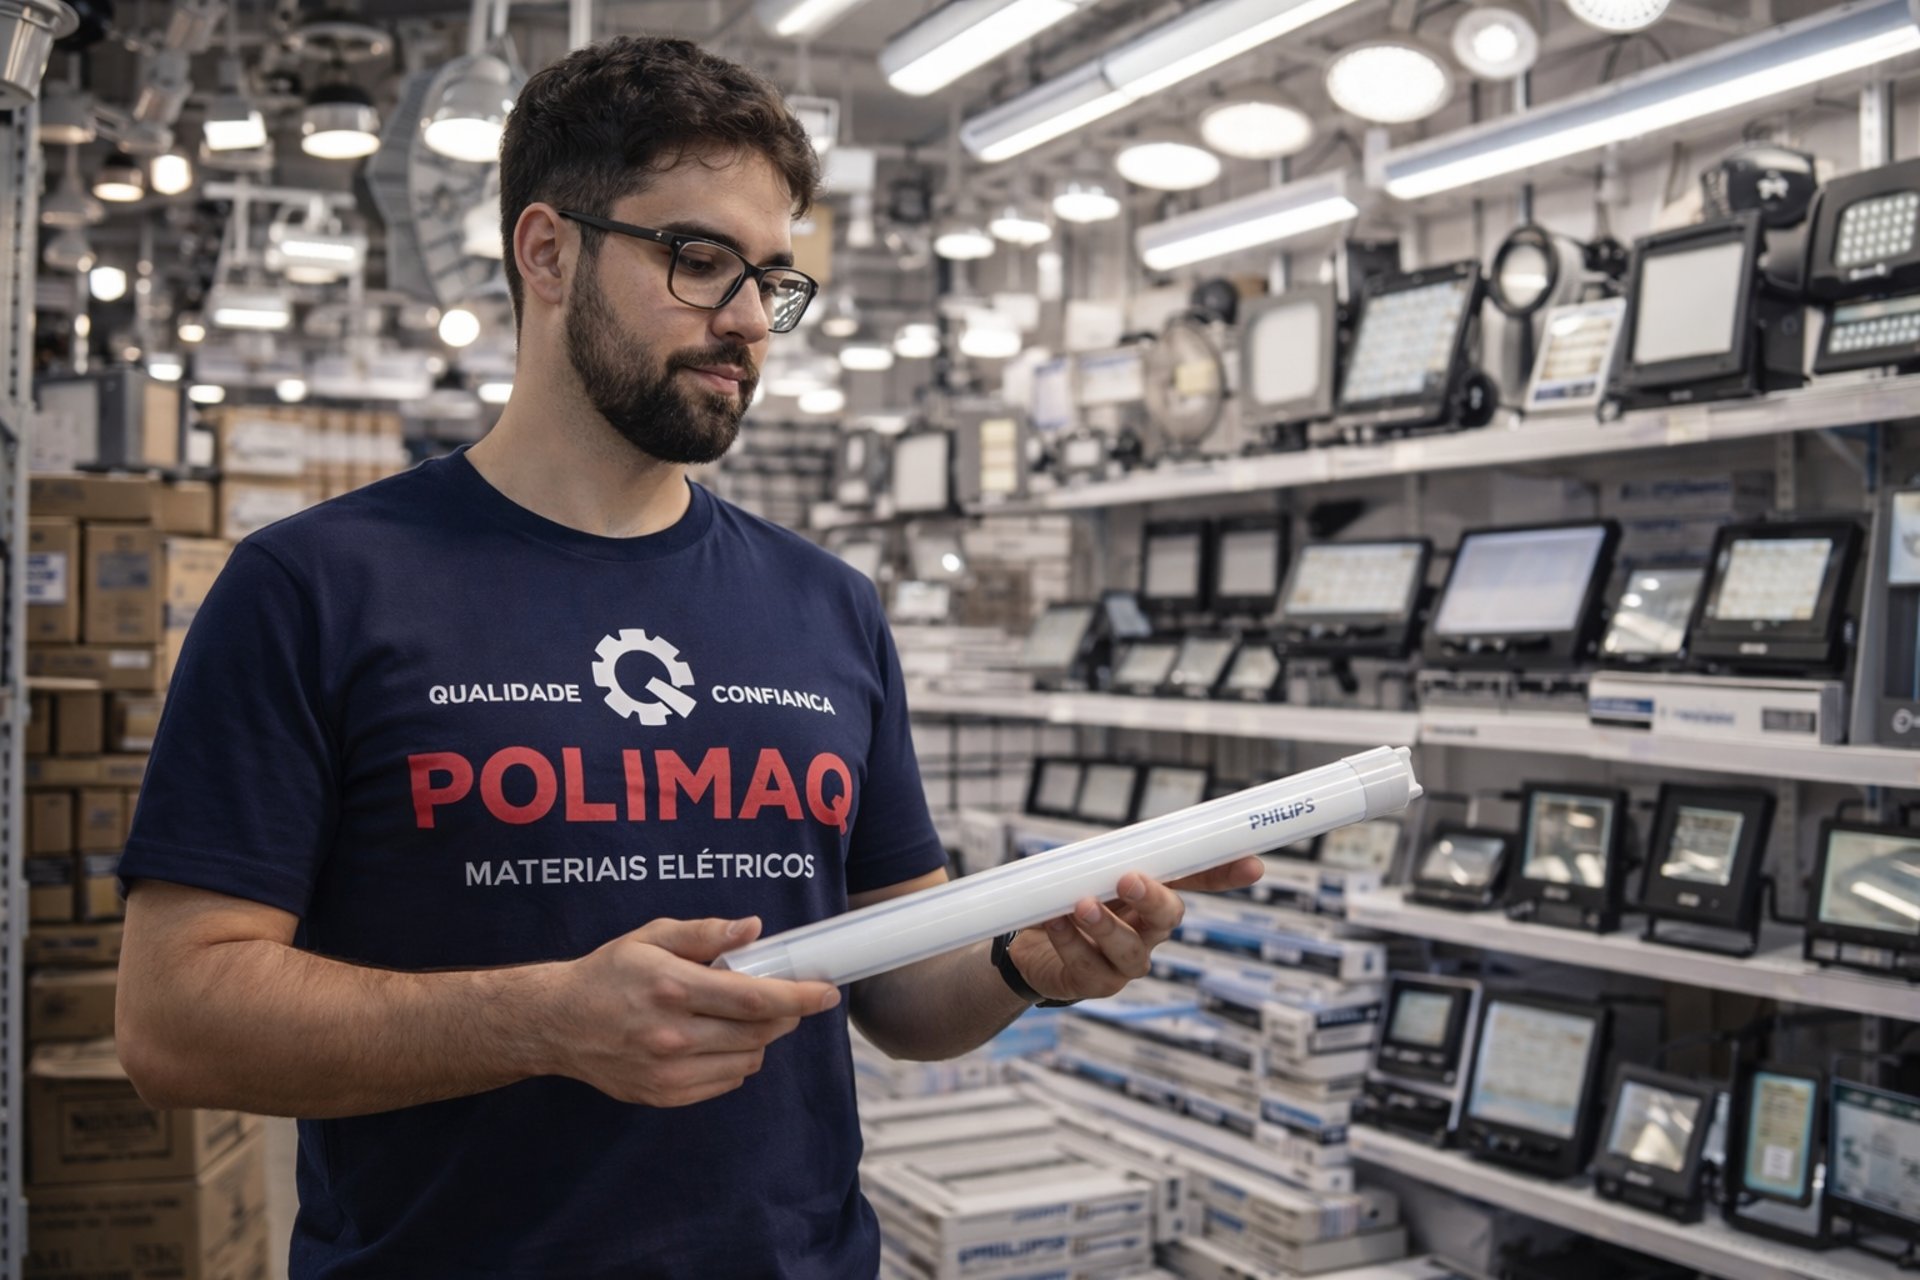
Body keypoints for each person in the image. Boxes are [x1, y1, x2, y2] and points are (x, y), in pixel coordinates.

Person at [114, 35, 1262, 1280]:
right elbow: (176, 1020)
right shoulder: (314, 587)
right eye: (700, 260)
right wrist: (544, 1021)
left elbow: (899, 993)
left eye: (772, 279)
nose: (749, 321)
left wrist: (1016, 961)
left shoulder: (827, 606)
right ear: (547, 252)